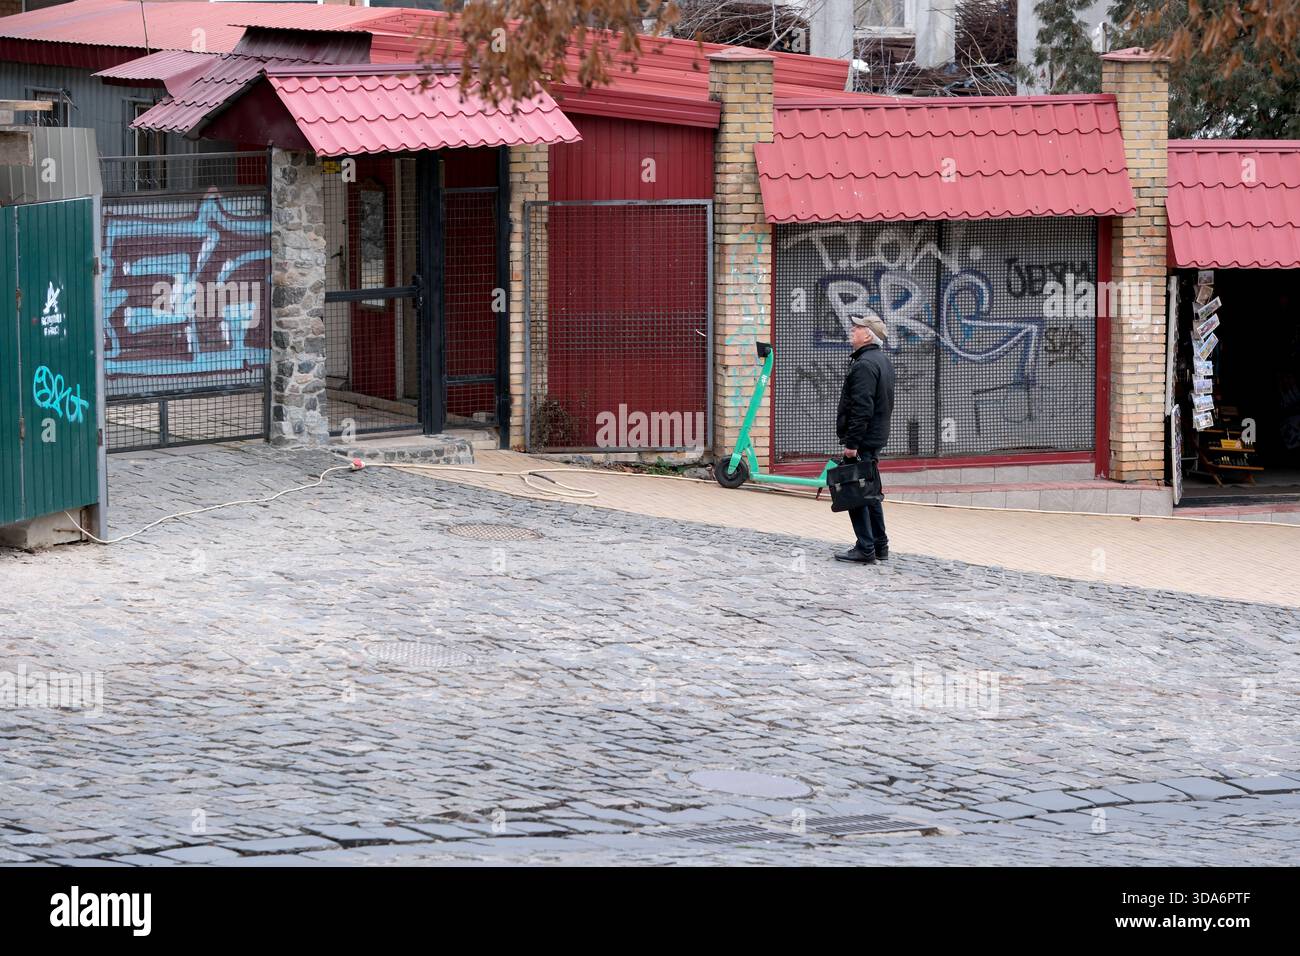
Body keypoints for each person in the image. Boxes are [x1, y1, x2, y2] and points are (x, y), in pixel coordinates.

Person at [834, 308, 895, 564]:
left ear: (868, 336)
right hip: (874, 437)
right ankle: (879, 545)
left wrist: (852, 444)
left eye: (857, 328)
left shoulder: (865, 365)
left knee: (856, 492)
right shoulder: (879, 360)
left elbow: (862, 408)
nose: (852, 331)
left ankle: (865, 547)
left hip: (864, 440)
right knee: (870, 492)